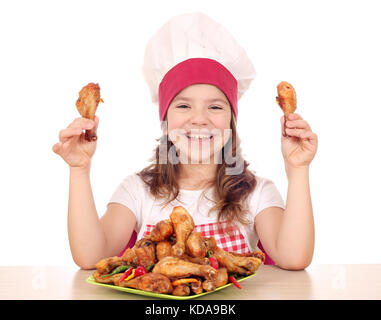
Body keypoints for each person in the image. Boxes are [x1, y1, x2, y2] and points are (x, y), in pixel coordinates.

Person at [52, 12, 318, 271]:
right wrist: (79, 170)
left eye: (215, 107)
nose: (199, 119)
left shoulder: (256, 194)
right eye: (183, 106)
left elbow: (294, 258)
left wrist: (297, 170)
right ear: (165, 121)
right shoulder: (137, 191)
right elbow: (90, 257)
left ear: (231, 122)